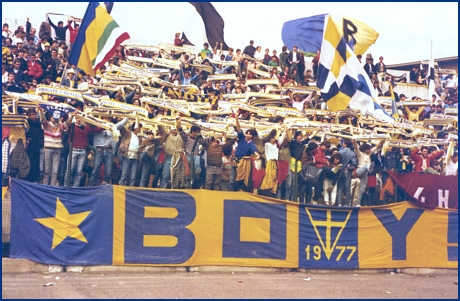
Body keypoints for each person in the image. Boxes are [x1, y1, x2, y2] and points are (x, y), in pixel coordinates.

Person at [89, 117, 129, 186]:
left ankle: (106, 189)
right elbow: (88, 121)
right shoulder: (95, 126)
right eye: (104, 118)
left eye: (108, 119)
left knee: (108, 172)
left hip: (109, 150)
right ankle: (91, 187)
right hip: (99, 149)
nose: (106, 120)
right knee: (95, 170)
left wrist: (128, 115)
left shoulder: (113, 127)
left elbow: (122, 123)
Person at [336, 138, 358, 207]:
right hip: (347, 171)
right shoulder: (352, 153)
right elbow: (355, 163)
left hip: (340, 170)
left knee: (340, 187)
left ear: (345, 144)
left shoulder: (340, 152)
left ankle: (339, 203)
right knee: (347, 188)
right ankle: (346, 203)